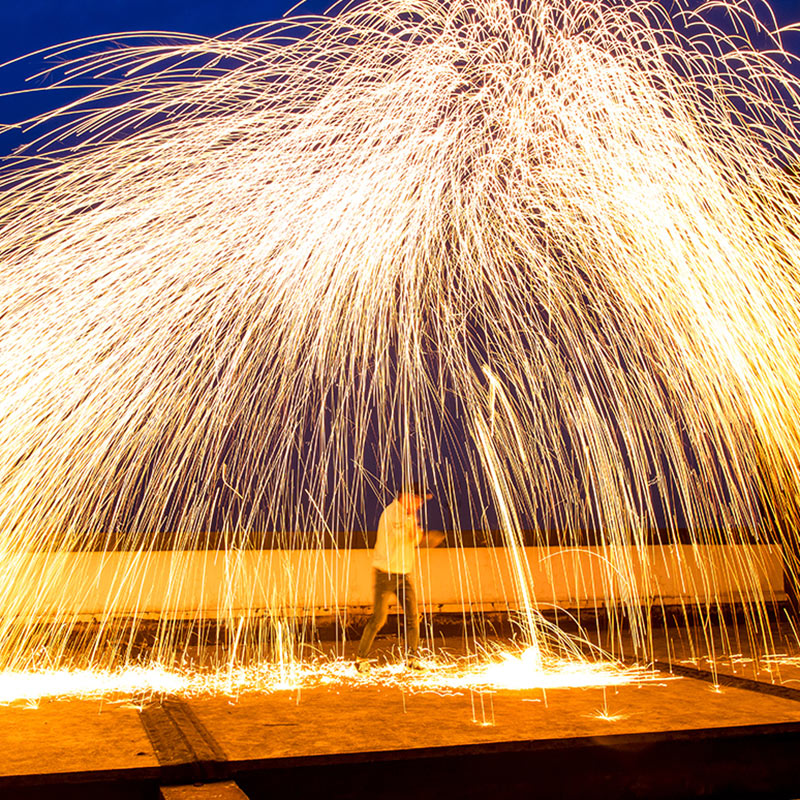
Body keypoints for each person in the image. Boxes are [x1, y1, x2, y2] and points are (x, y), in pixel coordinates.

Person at [355, 483, 440, 672]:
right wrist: (417, 534)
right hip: (385, 573)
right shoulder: (391, 514)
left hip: (404, 573)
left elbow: (413, 539)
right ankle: (361, 658)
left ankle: (412, 658)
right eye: (418, 500)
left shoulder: (408, 515)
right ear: (407, 496)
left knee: (413, 616)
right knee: (379, 618)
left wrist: (418, 535)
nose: (419, 504)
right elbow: (401, 538)